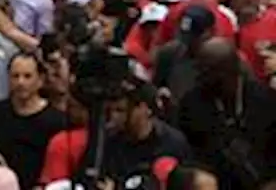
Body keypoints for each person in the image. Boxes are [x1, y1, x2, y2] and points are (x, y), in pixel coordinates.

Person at [175, 38, 276, 189]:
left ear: (228, 70)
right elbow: (188, 157)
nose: (201, 77)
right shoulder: (192, 104)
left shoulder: (265, 99)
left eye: (208, 72)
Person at [0, 53, 69, 186]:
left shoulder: (56, 120)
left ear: (40, 80)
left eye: (27, 76)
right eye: (15, 76)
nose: (21, 82)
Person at [101, 81, 192, 180]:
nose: (114, 117)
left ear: (145, 108)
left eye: (121, 110)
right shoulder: (110, 143)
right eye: (111, 111)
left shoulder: (173, 143)